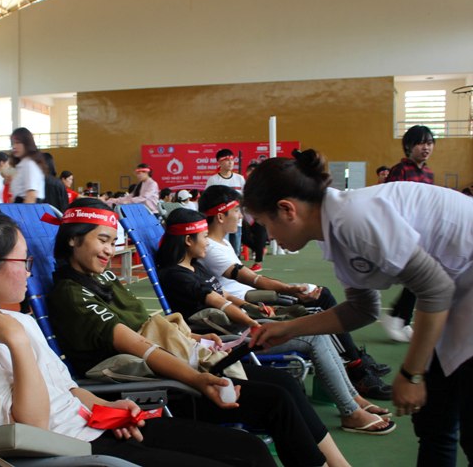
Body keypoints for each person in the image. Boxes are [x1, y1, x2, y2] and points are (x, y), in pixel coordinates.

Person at [0, 212, 276, 467]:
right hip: (71, 453)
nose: (29, 271)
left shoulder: (17, 321)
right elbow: (32, 431)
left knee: (248, 450)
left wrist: (109, 410)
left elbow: (69, 390)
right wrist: (18, 345)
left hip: (97, 430)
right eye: (23, 262)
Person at [47, 199, 351, 467]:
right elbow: (140, 345)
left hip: (172, 365)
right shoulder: (71, 294)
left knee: (283, 384)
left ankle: (337, 463)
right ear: (73, 239)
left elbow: (146, 326)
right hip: (152, 386)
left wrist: (195, 339)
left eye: (113, 242)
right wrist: (197, 379)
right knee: (275, 402)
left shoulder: (103, 277)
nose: (109, 251)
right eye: (103, 240)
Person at [243, 149, 473, 467]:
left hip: (461, 292)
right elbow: (362, 309)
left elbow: (436, 289)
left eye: (266, 224)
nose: (268, 236)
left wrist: (412, 373)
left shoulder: (353, 219)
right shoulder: (332, 228)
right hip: (458, 294)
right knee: (435, 422)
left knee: (458, 423)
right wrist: (288, 329)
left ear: (287, 209)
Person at [156, 207, 395, 435]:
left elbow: (225, 294)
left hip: (236, 328)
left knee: (315, 327)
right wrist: (256, 325)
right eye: (203, 237)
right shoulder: (177, 276)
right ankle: (351, 411)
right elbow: (221, 304)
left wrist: (252, 307)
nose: (207, 242)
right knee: (313, 336)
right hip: (226, 338)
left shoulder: (195, 267)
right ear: (188, 240)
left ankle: (353, 398)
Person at [197, 184, 393, 398]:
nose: (240, 216)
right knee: (322, 301)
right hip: (250, 302)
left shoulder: (222, 243)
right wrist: (290, 290)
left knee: (322, 295)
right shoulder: (211, 248)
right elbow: (253, 279)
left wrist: (290, 290)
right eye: (236, 211)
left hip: (253, 298)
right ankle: (356, 367)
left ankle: (355, 360)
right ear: (220, 216)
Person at [381, 125, 436, 343]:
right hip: (402, 232)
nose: (426, 147)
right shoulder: (400, 170)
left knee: (419, 278)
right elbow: (389, 201)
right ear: (408, 146)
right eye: (420, 143)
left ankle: (399, 318)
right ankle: (399, 317)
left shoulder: (429, 173)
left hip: (422, 233)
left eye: (429, 143)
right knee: (419, 277)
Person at [205, 149, 245, 256]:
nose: (230, 162)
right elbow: (208, 199)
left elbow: (244, 198)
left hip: (236, 221)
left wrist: (242, 213)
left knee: (236, 250)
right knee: (223, 249)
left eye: (232, 160)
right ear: (219, 162)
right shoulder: (213, 180)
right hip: (220, 222)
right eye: (227, 160)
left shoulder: (240, 179)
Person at [9, 127, 46, 203]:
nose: (14, 147)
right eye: (13, 143)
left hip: (27, 206)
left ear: (27, 144)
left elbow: (31, 195)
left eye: (18, 143)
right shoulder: (22, 165)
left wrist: (22, 211)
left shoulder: (29, 164)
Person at [242, 163, 268, 271]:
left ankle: (258, 262)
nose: (252, 174)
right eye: (251, 171)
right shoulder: (243, 184)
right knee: (243, 237)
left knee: (260, 237)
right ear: (247, 172)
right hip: (245, 216)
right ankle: (259, 250)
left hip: (259, 215)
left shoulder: (263, 185)